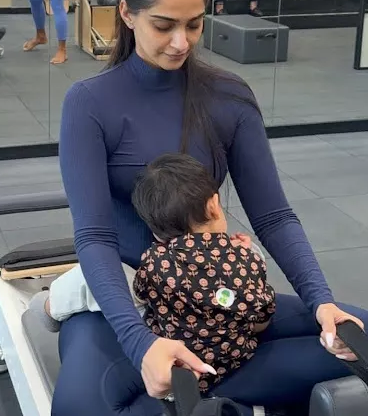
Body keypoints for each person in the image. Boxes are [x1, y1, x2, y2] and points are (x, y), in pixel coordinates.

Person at [55, 0, 368, 416]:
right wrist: (140, 343)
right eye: (164, 26)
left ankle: (205, 396)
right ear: (128, 14)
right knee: (77, 408)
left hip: (216, 299)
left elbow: (273, 216)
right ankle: (216, 394)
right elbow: (94, 236)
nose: (181, 42)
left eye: (194, 24)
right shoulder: (89, 103)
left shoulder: (227, 96)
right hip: (133, 298)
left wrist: (322, 304)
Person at [33, 153, 276, 396]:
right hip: (231, 364)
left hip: (171, 369)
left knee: (105, 278)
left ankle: (49, 306)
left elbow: (140, 292)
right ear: (213, 205)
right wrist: (246, 254)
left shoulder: (156, 262)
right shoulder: (249, 260)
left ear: (156, 233)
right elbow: (260, 322)